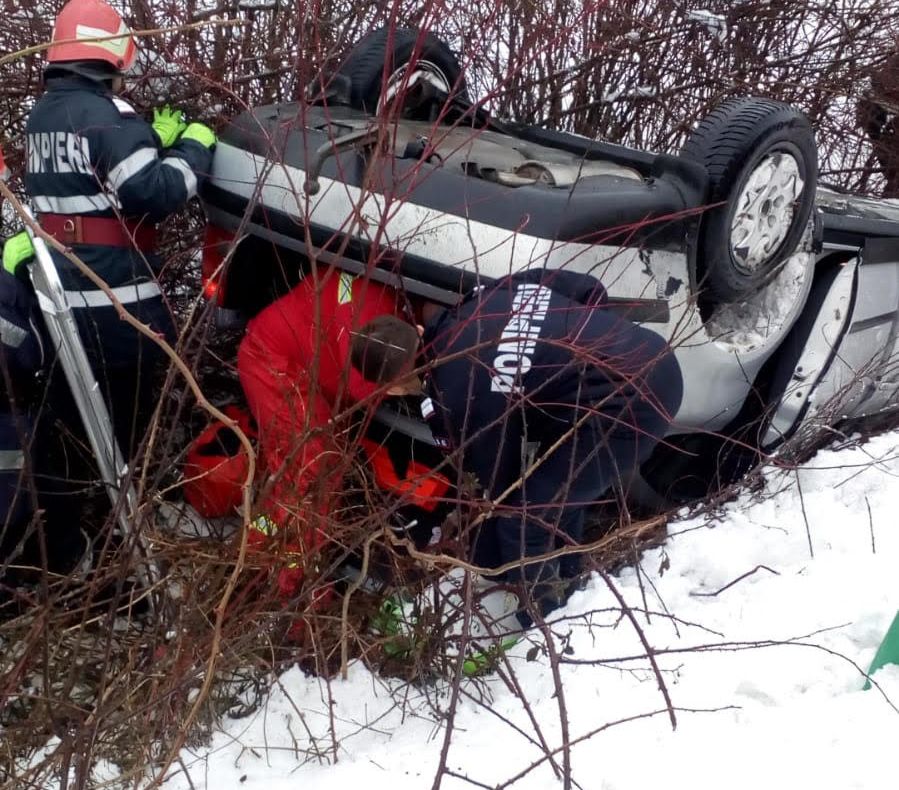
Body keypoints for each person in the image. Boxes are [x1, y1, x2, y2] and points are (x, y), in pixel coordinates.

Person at [350, 268, 683, 626]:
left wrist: (488, 556)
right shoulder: (482, 299)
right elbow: (587, 288)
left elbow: (502, 488)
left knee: (525, 523)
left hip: (632, 408)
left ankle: (550, 631)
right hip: (649, 352)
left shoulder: (453, 397)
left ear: (394, 389)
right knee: (555, 488)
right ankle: (571, 580)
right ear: (416, 330)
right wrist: (582, 353)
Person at [24, 0, 216, 455]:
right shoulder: (109, 115)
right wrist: (194, 147)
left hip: (62, 298)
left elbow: (85, 177)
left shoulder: (42, 117)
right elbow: (152, 194)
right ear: (105, 56)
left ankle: (79, 507)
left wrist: (147, 140)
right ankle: (126, 510)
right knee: (127, 428)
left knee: (73, 423)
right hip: (116, 304)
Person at [237, 266, 412, 596]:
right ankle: (291, 588)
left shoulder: (383, 305)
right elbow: (362, 389)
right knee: (310, 481)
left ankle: (257, 559)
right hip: (276, 367)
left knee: (296, 480)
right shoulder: (371, 335)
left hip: (298, 370)